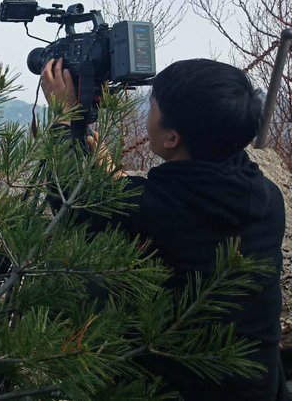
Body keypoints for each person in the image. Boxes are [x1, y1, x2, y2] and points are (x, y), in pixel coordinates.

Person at [41, 57, 288, 400]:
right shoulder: (268, 198)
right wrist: (119, 185)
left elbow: (68, 204)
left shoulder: (149, 209)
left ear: (172, 137)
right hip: (258, 387)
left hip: (173, 390)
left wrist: (61, 117)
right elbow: (181, 216)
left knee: (86, 280)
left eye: (152, 106)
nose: (148, 115)